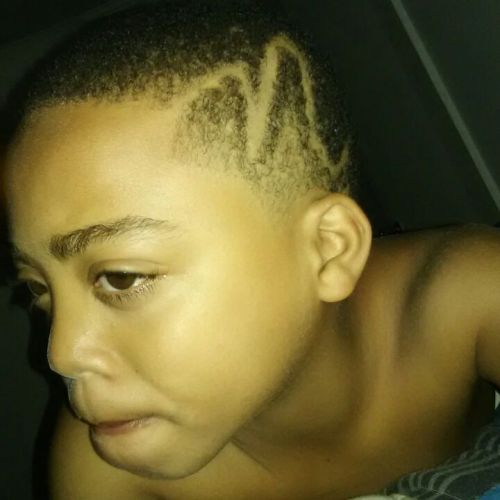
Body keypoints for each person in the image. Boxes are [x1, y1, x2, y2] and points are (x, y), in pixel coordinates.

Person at [2, 1, 499, 498]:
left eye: (122, 277)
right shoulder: (103, 474)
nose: (61, 353)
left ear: (328, 250)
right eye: (38, 291)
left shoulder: (464, 300)